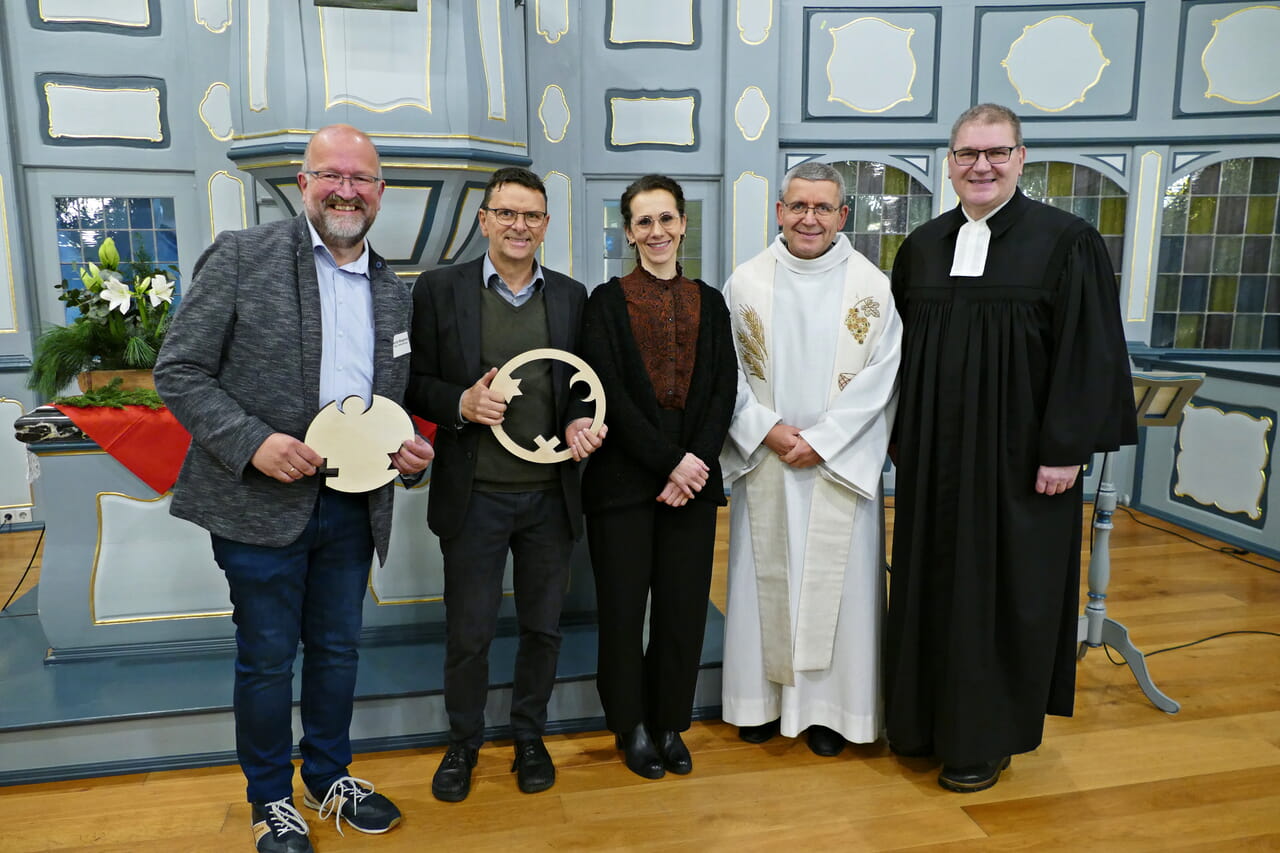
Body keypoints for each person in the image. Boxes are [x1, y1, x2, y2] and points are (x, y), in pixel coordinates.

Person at [154, 124, 433, 853]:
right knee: (268, 657)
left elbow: (389, 407)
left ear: (381, 193)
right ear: (303, 183)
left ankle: (330, 775)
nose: (347, 189)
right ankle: (271, 798)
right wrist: (254, 443)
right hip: (257, 507)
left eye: (362, 178)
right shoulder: (245, 257)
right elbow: (179, 370)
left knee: (338, 652)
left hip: (352, 507)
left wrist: (412, 456)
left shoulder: (393, 292)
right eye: (331, 174)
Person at [885, 103, 1137, 793]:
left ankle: (984, 737)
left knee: (1002, 591)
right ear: (950, 161)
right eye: (968, 154)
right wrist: (903, 437)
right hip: (934, 462)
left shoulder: (1066, 241)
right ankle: (920, 720)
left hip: (1024, 465)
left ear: (1022, 157)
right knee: (933, 581)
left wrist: (1065, 449)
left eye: (997, 152)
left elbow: (1088, 352)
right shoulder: (924, 246)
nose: (982, 166)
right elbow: (895, 355)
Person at [407, 166, 604, 803]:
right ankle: (463, 743)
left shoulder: (573, 296)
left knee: (544, 627)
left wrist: (580, 421)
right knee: (470, 631)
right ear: (486, 219)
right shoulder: (439, 290)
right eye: (508, 214)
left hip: (551, 498)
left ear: (546, 225)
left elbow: (581, 385)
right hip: (475, 497)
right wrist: (460, 403)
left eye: (533, 216)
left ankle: (529, 735)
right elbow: (414, 383)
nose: (520, 226)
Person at [720, 161, 902, 758]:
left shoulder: (872, 287)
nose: (809, 218)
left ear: (843, 215)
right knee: (763, 584)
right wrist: (768, 431)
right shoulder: (746, 282)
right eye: (798, 206)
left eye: (823, 208)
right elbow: (725, 376)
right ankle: (760, 704)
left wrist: (822, 440)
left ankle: (831, 714)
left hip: (835, 466)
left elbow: (883, 382)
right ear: (779, 211)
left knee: (840, 593)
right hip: (768, 461)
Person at [579, 175, 737, 779]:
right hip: (623, 478)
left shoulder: (711, 301)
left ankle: (669, 719)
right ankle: (631, 725)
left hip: (691, 481)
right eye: (644, 222)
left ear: (683, 225)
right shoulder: (605, 301)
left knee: (682, 610)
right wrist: (668, 460)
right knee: (622, 610)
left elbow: (723, 388)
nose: (657, 232)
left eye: (666, 219)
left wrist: (691, 463)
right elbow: (609, 394)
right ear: (628, 233)